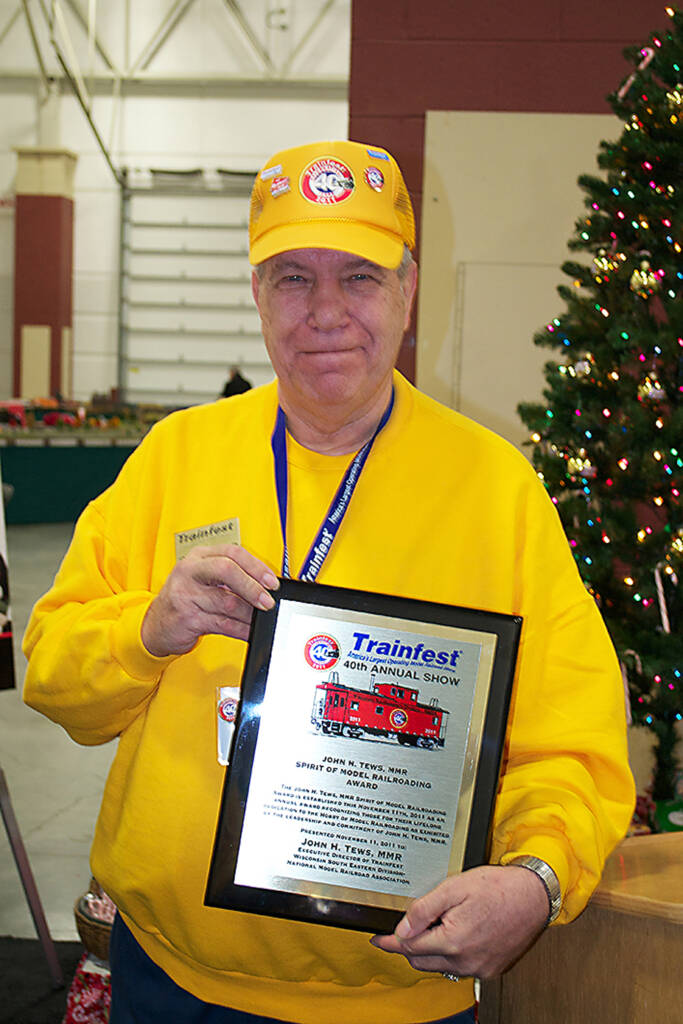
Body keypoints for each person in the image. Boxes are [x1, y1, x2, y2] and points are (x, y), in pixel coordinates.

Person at [23, 140, 634, 1024]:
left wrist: (535, 881)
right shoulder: (173, 459)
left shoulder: (496, 492)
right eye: (292, 278)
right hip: (174, 986)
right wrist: (146, 629)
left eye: (358, 276)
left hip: (398, 1000)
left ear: (408, 289)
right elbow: (51, 675)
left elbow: (571, 745)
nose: (325, 313)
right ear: (256, 293)